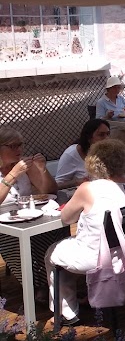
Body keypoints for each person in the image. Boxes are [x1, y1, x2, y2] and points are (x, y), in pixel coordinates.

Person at [45, 139, 125, 325]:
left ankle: (67, 312)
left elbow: (66, 218)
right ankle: (87, 296)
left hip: (98, 258)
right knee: (69, 246)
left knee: (53, 251)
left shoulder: (88, 189)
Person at [0, 127, 61, 300]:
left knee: (56, 230)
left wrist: (42, 169)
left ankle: (55, 281)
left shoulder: (24, 166)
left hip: (27, 217)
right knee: (24, 241)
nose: (19, 150)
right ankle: (37, 286)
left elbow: (50, 191)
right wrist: (13, 175)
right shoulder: (17, 170)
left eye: (20, 145)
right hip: (4, 225)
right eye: (13, 146)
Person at [55, 119, 112, 188]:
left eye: (108, 134)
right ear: (89, 137)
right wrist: (77, 182)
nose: (107, 139)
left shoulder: (109, 151)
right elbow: (57, 185)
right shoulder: (72, 154)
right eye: (101, 135)